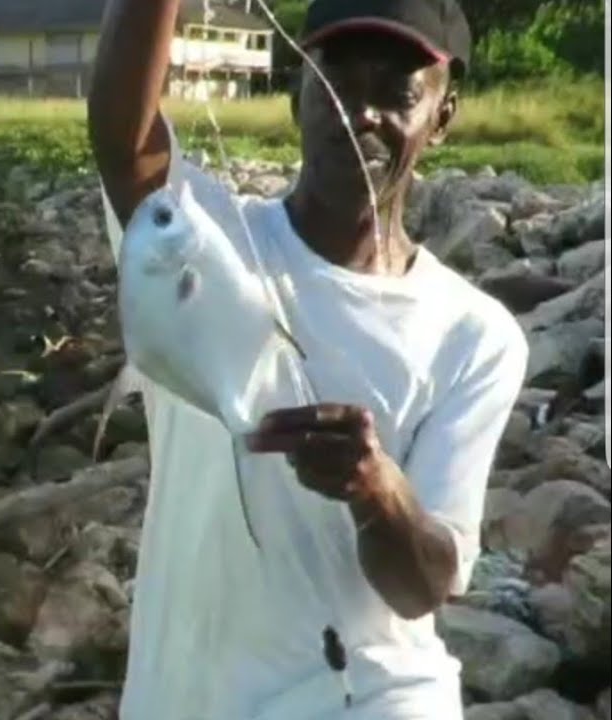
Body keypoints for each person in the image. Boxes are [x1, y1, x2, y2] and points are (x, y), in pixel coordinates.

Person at [87, 0, 528, 718]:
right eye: (334, 84)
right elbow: (122, 136)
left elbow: (425, 586)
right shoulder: (204, 243)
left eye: (397, 93)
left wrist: (376, 492)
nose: (360, 114)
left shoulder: (475, 336)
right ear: (298, 97)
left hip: (372, 697)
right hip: (188, 695)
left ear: (442, 117)